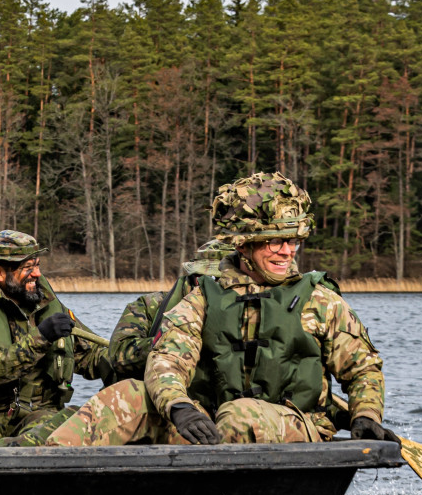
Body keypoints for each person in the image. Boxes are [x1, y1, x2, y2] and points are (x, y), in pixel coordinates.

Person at [47, 171, 393, 447]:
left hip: (296, 425)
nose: (287, 251)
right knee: (129, 395)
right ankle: (50, 470)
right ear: (244, 244)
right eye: (275, 241)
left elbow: (362, 368)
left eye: (294, 241)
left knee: (239, 416)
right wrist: (178, 407)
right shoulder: (204, 297)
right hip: (210, 426)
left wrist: (366, 415)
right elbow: (167, 358)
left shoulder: (321, 301)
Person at [0, 230, 107, 447]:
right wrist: (41, 338)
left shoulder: (51, 310)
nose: (37, 274)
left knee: (64, 429)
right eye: (28, 268)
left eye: (37, 265)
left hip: (39, 414)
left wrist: (135, 355)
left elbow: (91, 356)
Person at [106, 239, 234, 382]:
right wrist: (170, 341)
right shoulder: (151, 306)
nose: (212, 286)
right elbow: (119, 355)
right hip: (161, 388)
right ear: (192, 277)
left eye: (220, 280)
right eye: (206, 279)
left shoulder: (244, 311)